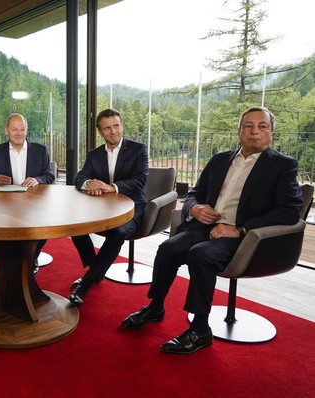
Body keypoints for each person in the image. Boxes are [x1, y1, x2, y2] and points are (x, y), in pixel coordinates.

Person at [121, 106, 304, 354]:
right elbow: (195, 194)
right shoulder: (220, 160)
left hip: (245, 237)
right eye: (248, 126)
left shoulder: (283, 166)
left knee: (201, 255)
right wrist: (194, 208)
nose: (255, 131)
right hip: (205, 225)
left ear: (271, 132)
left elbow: (290, 211)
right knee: (167, 248)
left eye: (262, 126)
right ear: (239, 131)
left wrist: (239, 228)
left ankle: (200, 330)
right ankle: (155, 307)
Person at [69, 108, 149, 307]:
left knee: (118, 231)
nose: (113, 131)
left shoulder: (138, 149)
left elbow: (140, 180)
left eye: (116, 126)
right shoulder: (94, 154)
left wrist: (110, 187)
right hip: (104, 208)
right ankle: (95, 268)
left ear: (121, 126)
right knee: (75, 227)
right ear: (100, 133)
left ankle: (86, 283)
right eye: (107, 128)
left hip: (133, 206)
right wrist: (90, 184)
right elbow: (80, 177)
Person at [0, 113, 55, 275]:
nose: (19, 133)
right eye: (14, 129)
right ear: (6, 130)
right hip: (5, 205)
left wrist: (37, 179)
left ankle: (33, 256)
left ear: (26, 130)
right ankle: (10, 259)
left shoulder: (40, 150)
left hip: (34, 203)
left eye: (22, 129)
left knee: (42, 228)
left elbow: (49, 176)